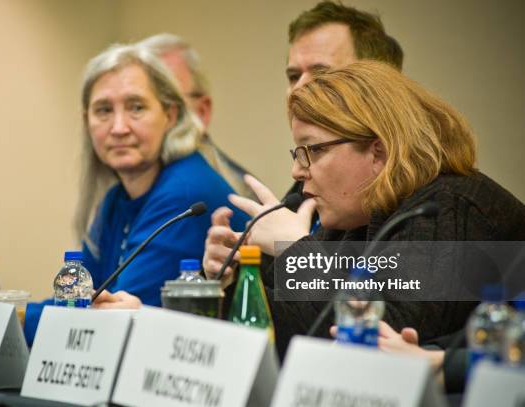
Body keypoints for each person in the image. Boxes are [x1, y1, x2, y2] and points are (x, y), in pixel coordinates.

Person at [206, 60, 525, 360]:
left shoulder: (444, 208)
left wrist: (298, 251)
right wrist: (235, 280)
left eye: (313, 150)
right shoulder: (354, 209)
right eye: (297, 152)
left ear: (379, 152)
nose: (297, 171)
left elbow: (385, 339)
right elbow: (304, 332)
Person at [23, 43, 248, 344]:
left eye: (136, 107)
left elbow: (112, 323)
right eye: (103, 110)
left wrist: (16, 316)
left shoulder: (184, 193)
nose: (118, 127)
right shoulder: (117, 198)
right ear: (86, 121)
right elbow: (76, 299)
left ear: (170, 115)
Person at [203, 0, 405, 274]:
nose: (299, 90)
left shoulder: (434, 202)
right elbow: (279, 309)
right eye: (293, 75)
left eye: (322, 74)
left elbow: (380, 312)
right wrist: (230, 277)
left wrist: (297, 250)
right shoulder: (310, 187)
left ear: (374, 81)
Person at [137, 33, 256, 200]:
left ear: (202, 111)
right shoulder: (123, 185)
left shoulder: (237, 191)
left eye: (167, 98)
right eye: (137, 105)